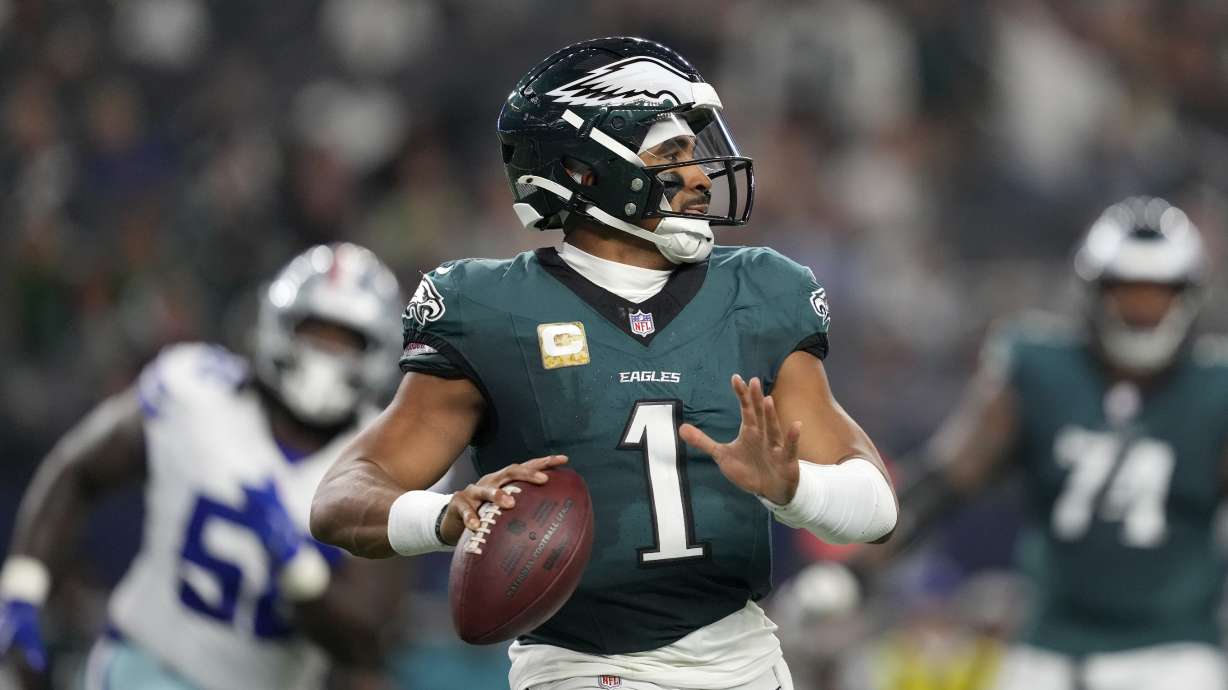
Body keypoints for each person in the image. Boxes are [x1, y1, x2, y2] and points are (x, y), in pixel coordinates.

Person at [310, 36, 898, 690]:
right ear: (588, 171)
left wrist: (794, 489)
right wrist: (445, 517)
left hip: (746, 663)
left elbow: (875, 506)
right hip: (583, 671)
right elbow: (341, 499)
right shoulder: (491, 309)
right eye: (672, 155)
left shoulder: (759, 291)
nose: (702, 176)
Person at [0, 243, 407, 690]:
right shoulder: (194, 391)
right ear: (278, 327)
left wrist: (296, 566)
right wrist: (22, 594)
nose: (325, 355)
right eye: (315, 333)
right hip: (142, 667)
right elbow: (78, 471)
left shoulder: (387, 457)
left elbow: (366, 638)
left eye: (346, 342)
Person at [890, 197, 1228, 690]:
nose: (1140, 310)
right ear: (1094, 293)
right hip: (1048, 649)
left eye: (1157, 293)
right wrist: (855, 570)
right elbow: (945, 479)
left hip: (1174, 652)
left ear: (1188, 297)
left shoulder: (1214, 388)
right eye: (1126, 292)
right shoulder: (1038, 368)